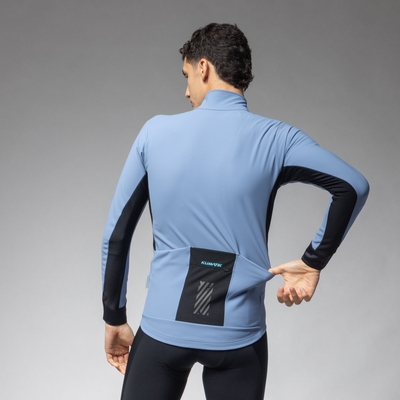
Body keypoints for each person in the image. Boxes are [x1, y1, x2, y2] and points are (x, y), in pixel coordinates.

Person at [101, 23, 369, 400]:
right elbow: (353, 186)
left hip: (164, 329)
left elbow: (116, 236)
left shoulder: (154, 133)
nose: (186, 90)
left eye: (186, 75)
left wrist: (114, 317)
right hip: (238, 334)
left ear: (204, 68)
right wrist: (314, 260)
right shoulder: (278, 139)